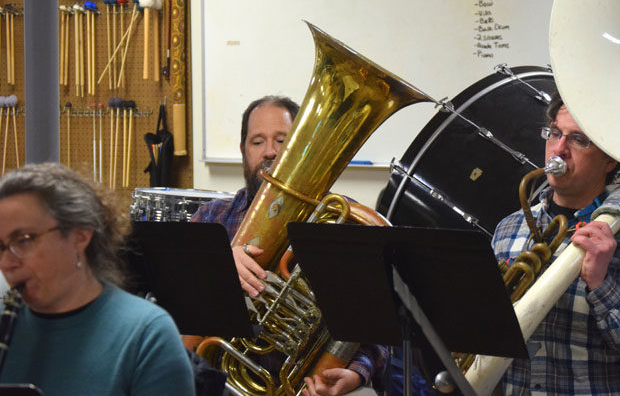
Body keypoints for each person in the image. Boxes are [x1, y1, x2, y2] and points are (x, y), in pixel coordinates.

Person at [491, 91, 620, 395]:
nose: (559, 149)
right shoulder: (508, 230)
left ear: (609, 159)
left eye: (578, 140)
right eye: (555, 133)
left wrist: (602, 286)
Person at [192, 95, 387, 395]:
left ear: (302, 150)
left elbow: (377, 323)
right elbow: (174, 306)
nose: (270, 151)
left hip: (316, 383)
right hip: (228, 381)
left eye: (282, 141)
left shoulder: (343, 221)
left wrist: (356, 373)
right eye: (257, 142)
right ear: (243, 151)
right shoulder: (211, 219)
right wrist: (216, 266)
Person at [0, 162, 195, 395]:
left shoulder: (146, 334)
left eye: (24, 240)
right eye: (1, 246)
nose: (6, 263)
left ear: (80, 236)